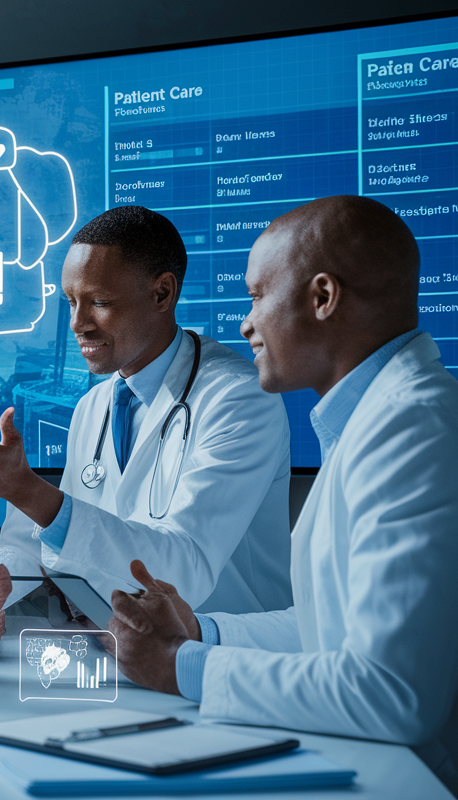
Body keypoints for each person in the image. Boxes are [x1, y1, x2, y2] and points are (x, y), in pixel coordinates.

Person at [108, 196, 458, 793]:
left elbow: (392, 694)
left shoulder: (413, 427)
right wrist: (200, 633)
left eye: (256, 296)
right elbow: (329, 629)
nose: (245, 323)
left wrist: (182, 667)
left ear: (322, 298)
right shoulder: (370, 422)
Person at [0, 206, 293, 622]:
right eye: (71, 302)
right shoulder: (94, 406)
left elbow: (182, 572)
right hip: (120, 652)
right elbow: (48, 541)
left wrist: (25, 489)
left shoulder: (239, 398)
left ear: (162, 294)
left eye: (99, 302)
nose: (78, 323)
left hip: (224, 659)